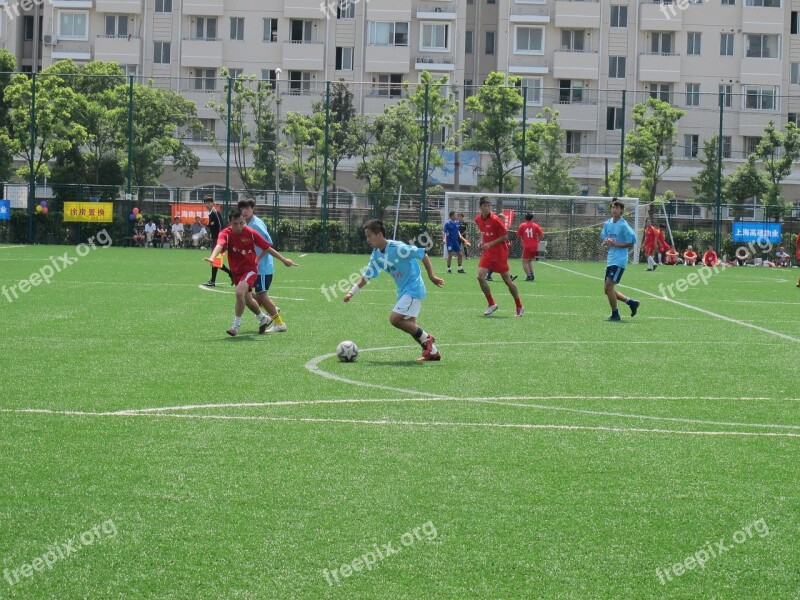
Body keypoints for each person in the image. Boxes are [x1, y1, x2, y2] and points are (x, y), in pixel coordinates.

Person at [343, 219, 444, 362]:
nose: (367, 240)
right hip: (404, 291)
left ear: (379, 235)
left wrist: (431, 276)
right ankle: (433, 353)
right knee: (410, 326)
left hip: (413, 288)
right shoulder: (377, 255)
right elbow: (366, 276)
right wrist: (351, 292)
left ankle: (427, 339)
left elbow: (422, 254)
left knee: (395, 319)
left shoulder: (398, 248)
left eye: (369, 236)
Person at [204, 210, 298, 337]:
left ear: (244, 221)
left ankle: (235, 327)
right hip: (236, 271)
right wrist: (212, 257)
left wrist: (284, 260)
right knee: (248, 300)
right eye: (235, 223)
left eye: (241, 223)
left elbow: (267, 247)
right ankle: (262, 318)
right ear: (230, 223)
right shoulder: (225, 234)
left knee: (239, 293)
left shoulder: (251, 233)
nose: (238, 226)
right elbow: (219, 245)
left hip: (250, 269)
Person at [238, 198, 288, 333]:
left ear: (253, 208)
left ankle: (279, 323)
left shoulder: (256, 225)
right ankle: (272, 309)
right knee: (249, 295)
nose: (244, 211)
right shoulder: (247, 224)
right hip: (256, 267)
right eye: (242, 209)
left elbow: (268, 245)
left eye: (247, 208)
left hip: (263, 268)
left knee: (260, 296)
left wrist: (257, 259)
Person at [475, 196, 524, 316]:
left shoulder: (496, 220)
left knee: (507, 280)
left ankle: (519, 306)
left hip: (500, 253)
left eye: (488, 206)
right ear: (480, 207)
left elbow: (505, 237)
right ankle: (491, 304)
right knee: (480, 277)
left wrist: (490, 244)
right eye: (484, 206)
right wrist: (481, 242)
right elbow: (483, 233)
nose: (487, 208)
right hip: (488, 253)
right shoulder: (478, 219)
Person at [601, 198, 640, 321]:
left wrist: (616, 244)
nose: (614, 210)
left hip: (620, 260)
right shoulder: (608, 223)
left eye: (617, 208)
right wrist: (606, 242)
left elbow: (632, 242)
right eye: (613, 207)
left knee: (608, 287)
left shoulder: (623, 225)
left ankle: (615, 314)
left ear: (621, 210)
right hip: (611, 259)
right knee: (608, 290)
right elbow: (605, 239)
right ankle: (631, 302)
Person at [203, 197, 232, 286]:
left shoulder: (215, 213)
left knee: (215, 260)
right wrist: (207, 225)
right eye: (205, 203)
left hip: (218, 240)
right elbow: (214, 226)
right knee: (215, 261)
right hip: (215, 239)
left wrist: (221, 240)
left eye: (208, 203)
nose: (207, 205)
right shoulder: (211, 213)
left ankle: (215, 280)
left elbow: (220, 226)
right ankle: (216, 279)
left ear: (213, 203)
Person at [516, 213, 543, 281]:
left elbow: (518, 235)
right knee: (530, 260)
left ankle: (529, 276)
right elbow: (541, 234)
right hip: (534, 245)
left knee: (524, 262)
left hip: (527, 245)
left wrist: (521, 241)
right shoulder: (535, 225)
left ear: (525, 218)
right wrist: (538, 240)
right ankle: (532, 274)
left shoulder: (522, 225)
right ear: (532, 218)